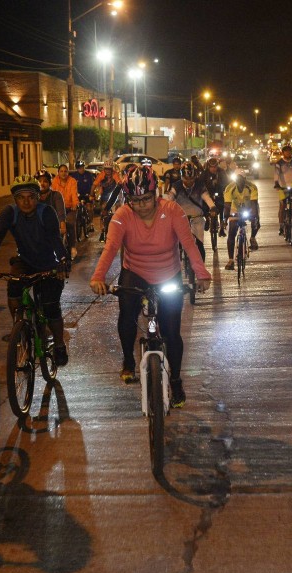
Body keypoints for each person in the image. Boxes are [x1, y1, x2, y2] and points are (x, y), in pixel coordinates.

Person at [89, 164, 212, 406]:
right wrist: (98, 276)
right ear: (128, 199)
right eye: (135, 200)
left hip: (168, 274)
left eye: (146, 198)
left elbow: (188, 245)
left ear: (156, 194)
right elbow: (111, 247)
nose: (142, 205)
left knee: (172, 332)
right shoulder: (122, 216)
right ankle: (128, 360)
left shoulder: (172, 211)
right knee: (126, 317)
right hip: (134, 273)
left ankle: (175, 380)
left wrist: (202, 274)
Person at [0, 175, 69, 365]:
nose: (26, 201)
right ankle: (20, 327)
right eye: (21, 197)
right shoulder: (9, 213)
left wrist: (63, 261)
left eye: (30, 196)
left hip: (49, 263)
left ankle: (59, 344)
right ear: (14, 199)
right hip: (25, 260)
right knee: (13, 289)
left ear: (38, 197)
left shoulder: (46, 212)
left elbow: (56, 239)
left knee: (50, 306)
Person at [165, 161, 218, 262]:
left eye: (191, 179)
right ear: (182, 177)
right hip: (180, 218)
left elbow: (207, 198)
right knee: (174, 243)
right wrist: (165, 207)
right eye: (186, 179)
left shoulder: (200, 185)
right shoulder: (177, 186)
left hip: (197, 218)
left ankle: (201, 266)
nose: (189, 182)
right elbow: (170, 197)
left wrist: (212, 207)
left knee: (199, 244)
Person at [222, 171, 260, 270]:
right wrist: (225, 219)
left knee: (256, 220)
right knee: (232, 232)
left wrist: (254, 217)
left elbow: (254, 204)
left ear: (245, 179)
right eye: (237, 180)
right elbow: (227, 206)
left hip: (249, 207)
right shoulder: (229, 188)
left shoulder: (252, 187)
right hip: (235, 209)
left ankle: (252, 237)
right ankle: (230, 260)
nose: (239, 182)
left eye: (241, 180)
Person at [52, 164, 80, 260]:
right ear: (58, 172)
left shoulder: (72, 181)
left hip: (69, 208)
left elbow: (74, 194)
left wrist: (74, 204)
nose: (63, 173)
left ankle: (72, 247)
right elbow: (52, 195)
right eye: (61, 171)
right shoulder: (54, 181)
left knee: (70, 224)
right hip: (57, 209)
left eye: (65, 171)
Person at [92, 160, 124, 242]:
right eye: (106, 169)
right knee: (103, 211)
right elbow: (94, 184)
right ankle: (102, 231)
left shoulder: (115, 174)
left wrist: (120, 184)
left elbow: (119, 182)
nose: (108, 171)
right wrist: (91, 194)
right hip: (105, 196)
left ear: (112, 169)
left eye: (109, 169)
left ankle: (118, 227)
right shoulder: (101, 175)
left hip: (114, 195)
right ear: (104, 169)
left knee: (118, 210)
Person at [200, 157, 230, 237]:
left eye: (215, 167)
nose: (213, 169)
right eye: (211, 167)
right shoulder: (204, 173)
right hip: (208, 194)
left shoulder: (221, 172)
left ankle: (222, 229)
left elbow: (227, 182)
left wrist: (222, 188)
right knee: (202, 205)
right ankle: (206, 219)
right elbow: (199, 183)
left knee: (222, 207)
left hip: (219, 193)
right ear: (208, 167)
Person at [35, 169, 67, 238]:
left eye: (45, 181)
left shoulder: (56, 195)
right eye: (39, 181)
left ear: (49, 183)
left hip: (53, 229)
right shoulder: (33, 197)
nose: (42, 184)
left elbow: (60, 213)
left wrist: (62, 226)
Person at [70, 160, 96, 234]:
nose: (81, 169)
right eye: (79, 168)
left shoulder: (88, 175)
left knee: (89, 208)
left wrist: (91, 195)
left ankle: (91, 223)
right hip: (77, 195)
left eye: (82, 167)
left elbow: (92, 186)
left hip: (87, 194)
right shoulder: (74, 176)